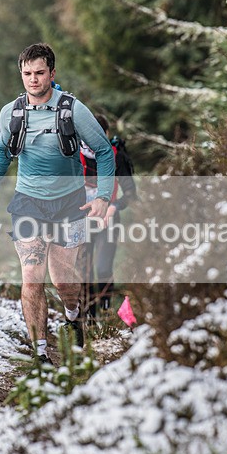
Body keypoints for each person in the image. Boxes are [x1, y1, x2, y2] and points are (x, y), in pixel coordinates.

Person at [0, 43, 115, 364]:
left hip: (69, 204)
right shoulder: (11, 113)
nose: (33, 80)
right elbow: (1, 152)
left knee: (64, 282)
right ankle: (40, 354)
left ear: (52, 74)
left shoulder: (72, 110)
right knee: (31, 276)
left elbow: (106, 152)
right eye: (27, 74)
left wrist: (103, 197)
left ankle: (72, 315)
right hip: (28, 203)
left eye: (40, 73)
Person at [80, 115, 137, 318]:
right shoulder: (73, 155)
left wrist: (113, 207)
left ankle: (106, 313)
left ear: (105, 134)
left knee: (103, 268)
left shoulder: (117, 156)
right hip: (81, 221)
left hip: (108, 220)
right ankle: (89, 318)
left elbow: (131, 194)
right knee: (84, 270)